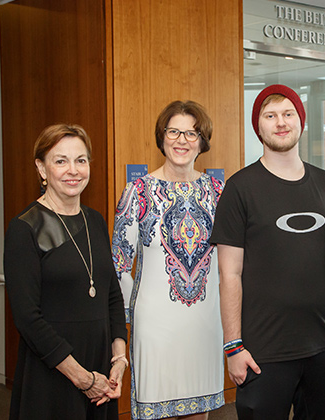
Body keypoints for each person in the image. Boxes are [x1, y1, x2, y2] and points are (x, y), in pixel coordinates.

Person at [210, 84, 325, 419]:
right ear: (259, 126)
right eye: (270, 115)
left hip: (324, 348)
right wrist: (233, 346)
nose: (280, 122)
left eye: (288, 114)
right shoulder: (239, 188)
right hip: (262, 352)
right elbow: (229, 274)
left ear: (301, 121)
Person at [5, 124, 127, 420]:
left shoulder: (95, 221)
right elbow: (27, 318)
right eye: (61, 161)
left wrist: (119, 358)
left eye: (81, 160)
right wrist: (83, 379)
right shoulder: (25, 228)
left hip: (100, 367)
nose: (73, 170)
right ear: (42, 169)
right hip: (54, 370)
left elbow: (111, 293)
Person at [112, 101, 224, 420]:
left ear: (203, 141)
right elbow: (119, 263)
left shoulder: (219, 193)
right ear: (162, 137)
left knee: (198, 412)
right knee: (155, 410)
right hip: (155, 325)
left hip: (205, 324)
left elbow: (230, 262)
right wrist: (129, 316)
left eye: (192, 133)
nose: (182, 140)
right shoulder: (138, 192)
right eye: (174, 131)